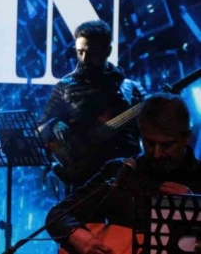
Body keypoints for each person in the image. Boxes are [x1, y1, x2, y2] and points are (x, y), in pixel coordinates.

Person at [45, 92, 201, 254]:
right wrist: (79, 238)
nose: (157, 153)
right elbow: (58, 215)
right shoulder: (120, 172)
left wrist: (195, 208)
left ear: (186, 137)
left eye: (167, 145)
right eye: (149, 143)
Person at [38, 19, 147, 191]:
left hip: (123, 181)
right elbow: (40, 130)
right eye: (79, 52)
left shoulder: (131, 89)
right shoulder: (65, 87)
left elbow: (151, 131)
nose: (84, 59)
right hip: (81, 181)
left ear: (107, 51)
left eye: (91, 53)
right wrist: (54, 125)